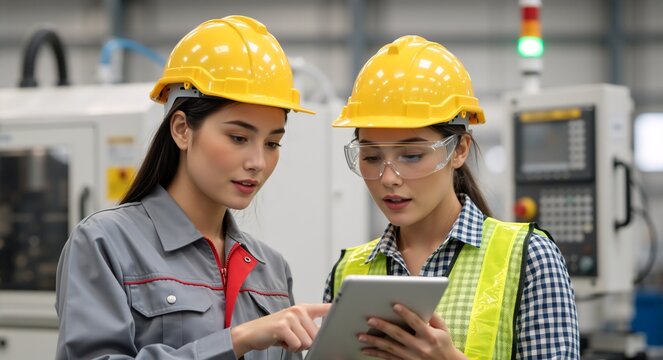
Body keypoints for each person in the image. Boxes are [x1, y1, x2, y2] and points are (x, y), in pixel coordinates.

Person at [55, 16, 330, 360]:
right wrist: (237, 340)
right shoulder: (105, 244)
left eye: (273, 143)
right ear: (182, 129)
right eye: (239, 138)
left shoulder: (270, 269)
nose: (258, 162)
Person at [324, 35, 579, 359]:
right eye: (372, 157)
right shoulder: (349, 271)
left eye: (412, 155)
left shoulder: (528, 258)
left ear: (459, 150)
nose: (388, 178)